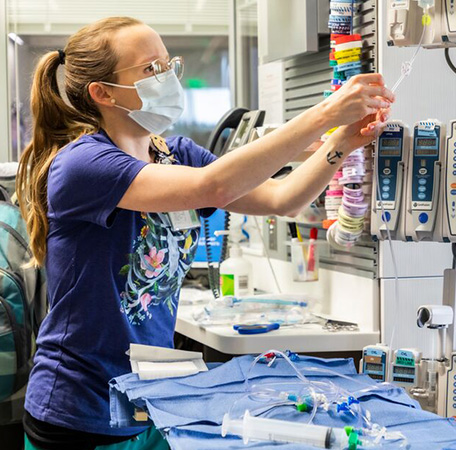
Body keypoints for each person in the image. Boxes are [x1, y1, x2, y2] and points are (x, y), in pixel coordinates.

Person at [16, 16, 394, 450]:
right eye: (150, 69)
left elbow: (281, 199)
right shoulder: (83, 164)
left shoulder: (173, 152)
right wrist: (324, 113)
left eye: (167, 65)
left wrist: (344, 140)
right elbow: (212, 186)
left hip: (147, 400)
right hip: (77, 411)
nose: (167, 78)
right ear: (103, 93)